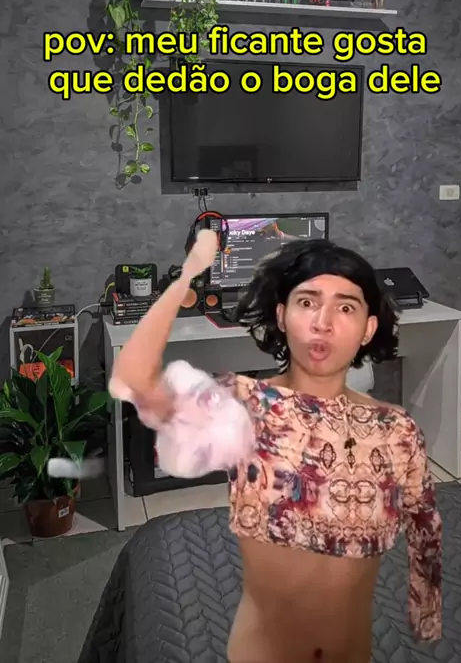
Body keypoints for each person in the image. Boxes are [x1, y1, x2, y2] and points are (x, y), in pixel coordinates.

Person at [109, 233, 442, 663]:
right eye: (307, 302)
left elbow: (425, 527)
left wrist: (426, 611)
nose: (323, 322)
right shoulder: (241, 404)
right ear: (282, 316)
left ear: (368, 328)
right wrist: (187, 277)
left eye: (345, 307)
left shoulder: (397, 429)